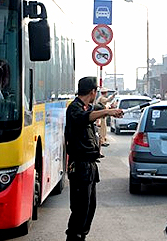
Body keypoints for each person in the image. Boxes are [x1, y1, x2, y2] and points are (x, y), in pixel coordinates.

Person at [64, 76, 123, 241]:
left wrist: (110, 109)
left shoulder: (86, 107)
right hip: (80, 165)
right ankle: (74, 237)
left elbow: (94, 110)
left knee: (90, 207)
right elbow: (85, 117)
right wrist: (107, 112)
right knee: (80, 209)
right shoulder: (74, 108)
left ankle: (82, 235)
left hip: (90, 166)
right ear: (93, 91)